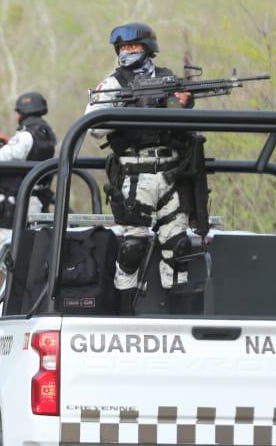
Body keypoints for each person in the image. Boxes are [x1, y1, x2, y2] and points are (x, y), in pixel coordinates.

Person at [85, 22, 206, 292]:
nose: (127, 52)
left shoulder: (167, 78)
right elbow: (93, 126)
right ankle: (125, 309)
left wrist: (181, 104)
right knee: (132, 247)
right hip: (135, 172)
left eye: (133, 46)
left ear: (147, 48)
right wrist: (132, 107)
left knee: (179, 246)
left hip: (172, 172)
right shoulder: (114, 83)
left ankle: (177, 311)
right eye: (123, 47)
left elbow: (185, 125)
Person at [0, 91, 57, 230]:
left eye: (18, 112)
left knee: (11, 246)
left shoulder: (25, 135)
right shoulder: (46, 133)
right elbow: (32, 152)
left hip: (16, 202)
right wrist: (9, 141)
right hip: (36, 200)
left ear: (23, 112)